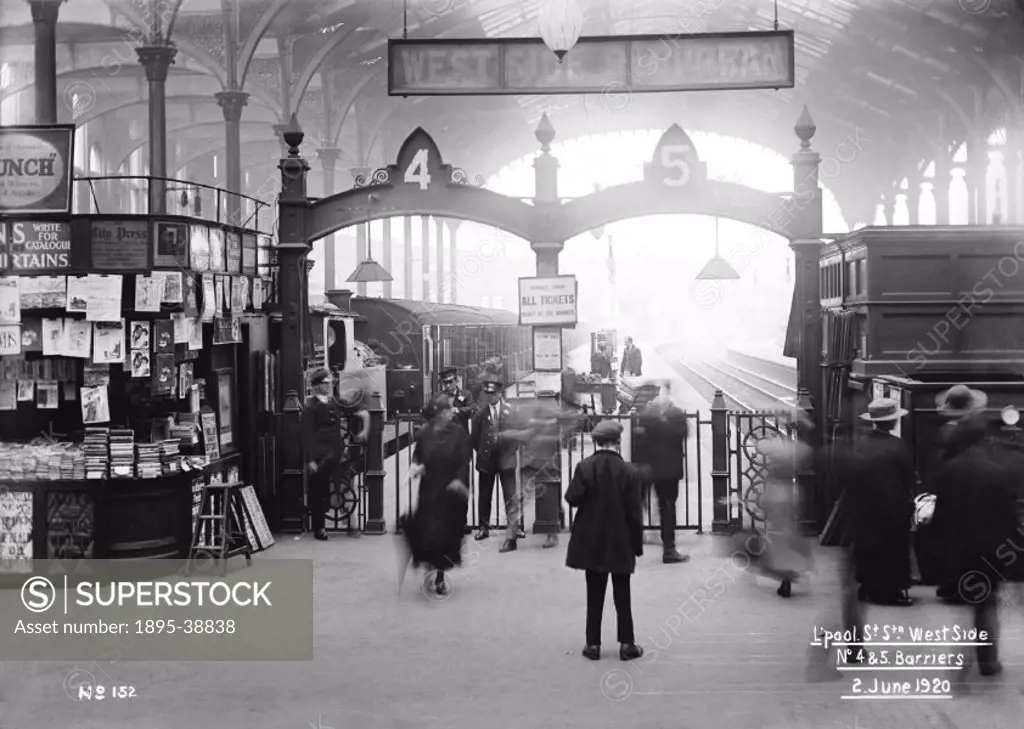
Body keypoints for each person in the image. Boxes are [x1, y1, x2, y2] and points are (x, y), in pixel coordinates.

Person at [929, 384, 1019, 676]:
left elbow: (940, 516)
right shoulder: (999, 469)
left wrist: (938, 552)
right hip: (991, 548)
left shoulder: (948, 470)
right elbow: (1007, 514)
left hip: (961, 547)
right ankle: (987, 659)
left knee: (973, 602)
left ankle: (968, 657)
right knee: (986, 603)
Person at [565, 419, 645, 662]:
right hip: (620, 542)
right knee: (622, 593)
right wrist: (636, 545)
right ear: (618, 442)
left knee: (594, 593)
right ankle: (627, 644)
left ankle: (593, 644)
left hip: (592, 542)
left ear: (596, 442)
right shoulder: (629, 471)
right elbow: (634, 512)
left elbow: (573, 499)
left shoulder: (585, 467)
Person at [400, 394, 472, 596]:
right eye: (447, 410)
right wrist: (415, 466)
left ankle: (440, 578)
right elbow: (418, 454)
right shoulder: (425, 433)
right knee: (428, 535)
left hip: (449, 492)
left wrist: (460, 480)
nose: (450, 413)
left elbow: (464, 460)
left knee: (445, 536)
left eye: (450, 410)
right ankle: (429, 569)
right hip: (429, 491)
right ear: (439, 414)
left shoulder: (458, 433)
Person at [634, 382, 690, 564]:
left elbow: (639, 442)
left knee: (657, 507)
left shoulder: (647, 417)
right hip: (666, 470)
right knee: (665, 509)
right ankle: (668, 549)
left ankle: (663, 547)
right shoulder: (676, 415)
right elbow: (681, 433)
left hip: (656, 469)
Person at [469, 376, 519, 544]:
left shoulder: (510, 411)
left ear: (500, 393)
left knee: (510, 495)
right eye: (488, 394)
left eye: (494, 393)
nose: (491, 397)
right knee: (485, 495)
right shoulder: (480, 415)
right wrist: (483, 452)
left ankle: (514, 528)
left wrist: (510, 452)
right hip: (487, 460)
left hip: (506, 459)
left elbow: (515, 435)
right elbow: (474, 439)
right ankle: (484, 527)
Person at [301, 368, 346, 541]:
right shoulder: (310, 407)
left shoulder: (332, 402)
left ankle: (344, 518)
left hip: (334, 453)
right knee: (318, 492)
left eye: (330, 383)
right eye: (325, 383)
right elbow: (307, 435)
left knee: (334, 487)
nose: (329, 386)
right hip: (319, 456)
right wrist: (310, 459)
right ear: (316, 386)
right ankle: (319, 527)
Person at [439, 367, 475, 432]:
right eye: (445, 383)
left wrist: (458, 410)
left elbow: (472, 407)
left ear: (456, 381)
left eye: (450, 382)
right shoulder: (440, 396)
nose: (447, 385)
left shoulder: (466, 394)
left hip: (461, 432)